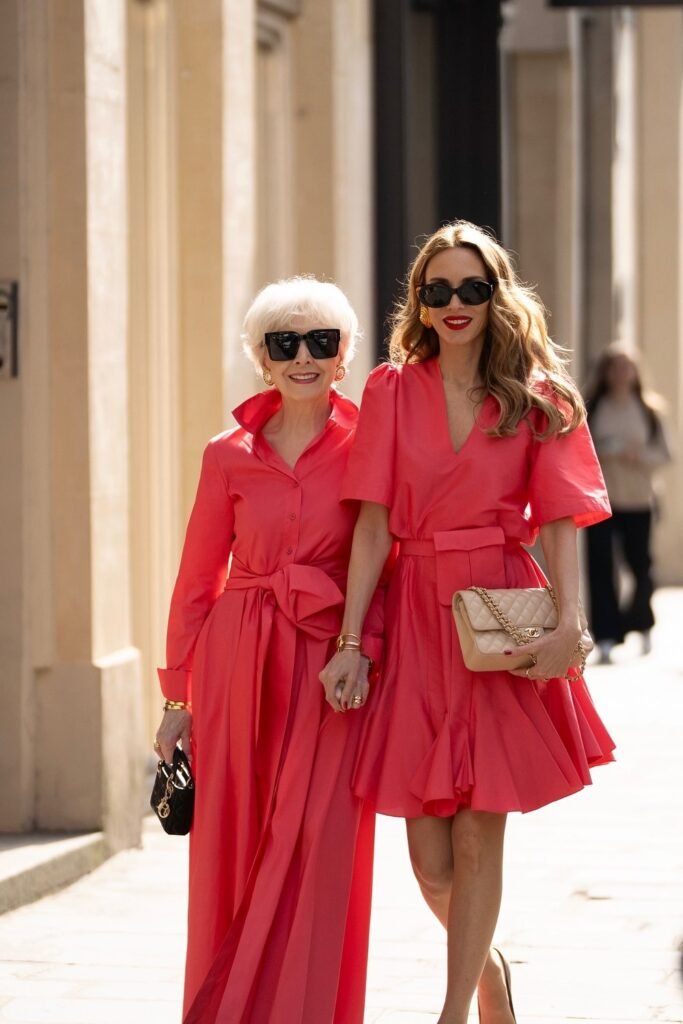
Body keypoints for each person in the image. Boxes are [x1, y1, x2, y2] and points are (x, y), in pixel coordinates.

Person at [320, 220, 616, 1024]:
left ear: (496, 295)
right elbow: (372, 525)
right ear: (417, 299)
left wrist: (567, 624)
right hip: (414, 615)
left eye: (472, 289)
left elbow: (559, 517)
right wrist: (350, 642)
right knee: (430, 864)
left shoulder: (538, 392)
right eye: (437, 289)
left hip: (497, 616)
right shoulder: (388, 388)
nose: (454, 304)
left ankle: (453, 1013)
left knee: (481, 837)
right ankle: (487, 973)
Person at [154, 277, 385, 1024]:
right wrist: (176, 699)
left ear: (345, 354)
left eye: (321, 341)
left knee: (320, 846)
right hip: (236, 662)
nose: (304, 358)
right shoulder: (226, 455)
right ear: (261, 358)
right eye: (284, 344)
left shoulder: (370, 448)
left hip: (329, 663)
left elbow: (387, 560)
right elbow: (196, 579)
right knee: (235, 842)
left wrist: (363, 647)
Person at [585, 342, 672, 663]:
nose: (621, 373)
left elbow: (666, 454)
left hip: (639, 502)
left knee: (641, 568)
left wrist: (639, 455)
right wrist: (607, 450)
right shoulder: (593, 409)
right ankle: (606, 634)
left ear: (636, 371)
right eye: (615, 366)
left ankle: (641, 622)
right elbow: (579, 450)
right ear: (605, 372)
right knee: (601, 567)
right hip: (601, 502)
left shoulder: (649, 410)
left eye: (627, 366)